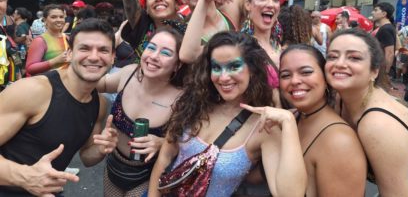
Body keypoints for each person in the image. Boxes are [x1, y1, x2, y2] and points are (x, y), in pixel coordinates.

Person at [149, 31, 307, 197]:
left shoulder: (263, 127)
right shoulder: (194, 104)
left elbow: (291, 194)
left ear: (251, 69)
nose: (223, 77)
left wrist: (288, 122)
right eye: (216, 68)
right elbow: (164, 158)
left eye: (233, 67)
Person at [0, 18, 119, 196]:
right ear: (69, 53)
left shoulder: (100, 105)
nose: (94, 57)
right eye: (84, 48)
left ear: (112, 58)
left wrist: (102, 149)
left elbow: (86, 157)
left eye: (103, 50)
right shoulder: (33, 90)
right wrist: (26, 177)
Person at [325, 28, 408, 196]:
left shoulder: (377, 124)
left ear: (374, 71)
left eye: (354, 57)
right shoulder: (342, 101)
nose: (339, 63)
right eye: (332, 56)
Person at [96, 28, 184, 196]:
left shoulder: (181, 98)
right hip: (112, 167)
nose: (154, 56)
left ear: (177, 65)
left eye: (165, 53)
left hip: (146, 178)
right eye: (151, 48)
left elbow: (192, 144)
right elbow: (99, 84)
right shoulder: (129, 73)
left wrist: (162, 142)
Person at [279, 44, 366, 196]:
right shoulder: (290, 118)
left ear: (326, 78)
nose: (294, 81)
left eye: (306, 72)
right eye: (285, 75)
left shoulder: (340, 142)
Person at [25, 4, 69, 76]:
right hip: (46, 84)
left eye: (61, 17)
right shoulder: (40, 40)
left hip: (67, 83)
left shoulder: (67, 38)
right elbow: (30, 68)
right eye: (53, 17)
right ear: (45, 20)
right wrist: (55, 60)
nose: (59, 20)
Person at [371, 2, 396, 76]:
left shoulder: (386, 29)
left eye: (375, 10)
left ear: (384, 14)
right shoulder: (387, 27)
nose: (372, 12)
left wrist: (385, 73)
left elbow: (389, 53)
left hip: (382, 70)